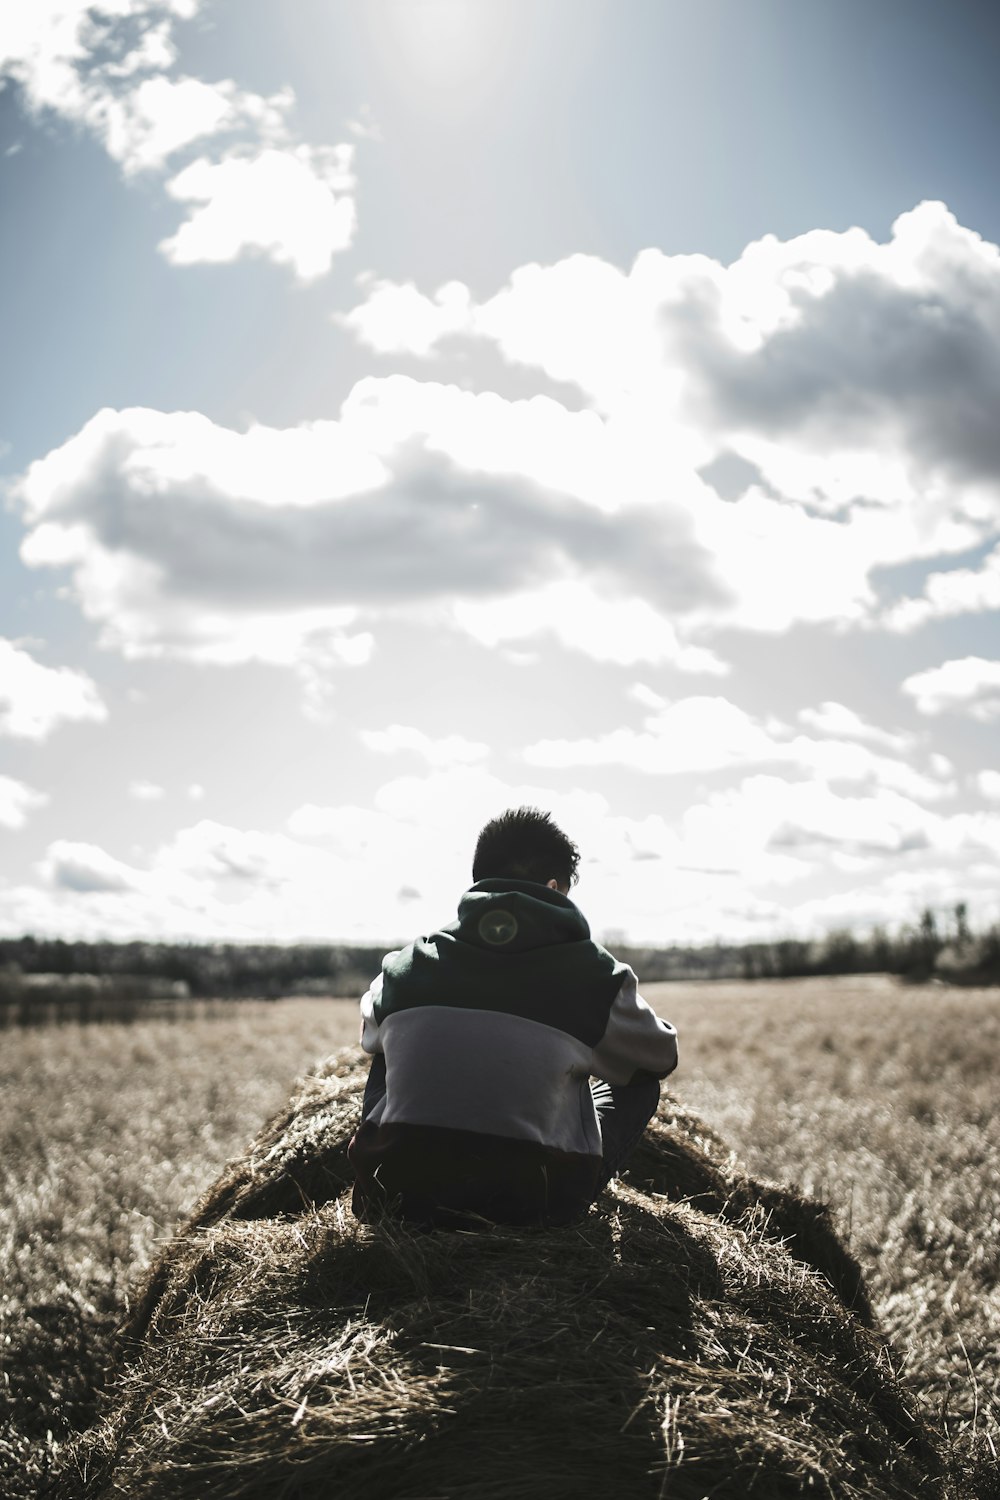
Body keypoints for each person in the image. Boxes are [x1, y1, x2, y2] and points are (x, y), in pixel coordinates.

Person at [348, 806, 678, 1227]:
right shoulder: (597, 976)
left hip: (393, 1200)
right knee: (639, 1085)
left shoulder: (402, 967)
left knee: (386, 1052)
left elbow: (369, 1034)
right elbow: (660, 1058)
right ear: (555, 888)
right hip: (533, 1205)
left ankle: (392, 1173)